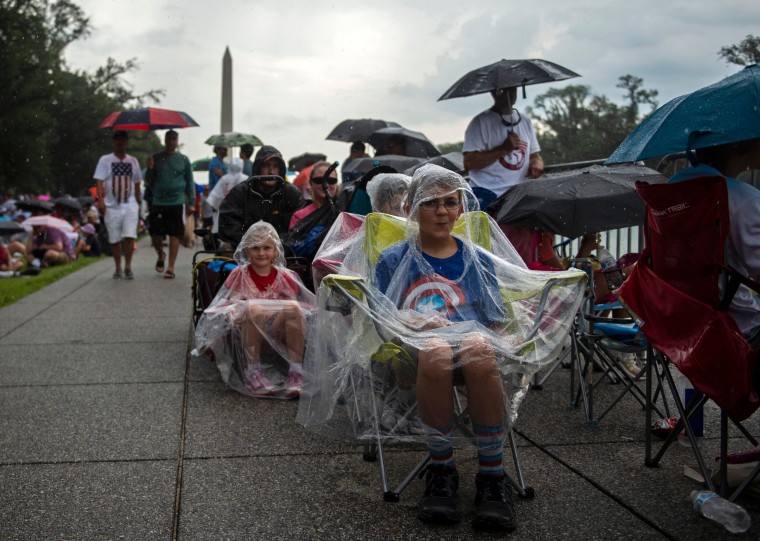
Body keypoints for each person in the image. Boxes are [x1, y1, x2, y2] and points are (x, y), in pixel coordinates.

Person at [373, 165, 517, 531]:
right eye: (430, 202)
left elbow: (494, 320)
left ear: (460, 208)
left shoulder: (477, 259)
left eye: (450, 202)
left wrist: (504, 342)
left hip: (474, 347)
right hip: (418, 350)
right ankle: (442, 469)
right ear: (412, 209)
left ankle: (492, 475)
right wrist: (414, 324)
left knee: (478, 345)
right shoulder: (392, 259)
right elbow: (383, 317)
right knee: (436, 348)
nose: (441, 211)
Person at [194, 221, 316, 398]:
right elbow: (234, 303)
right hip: (249, 328)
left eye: (267, 248)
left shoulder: (284, 276)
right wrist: (245, 308)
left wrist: (278, 311)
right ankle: (254, 372)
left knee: (293, 307)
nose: (261, 253)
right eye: (255, 248)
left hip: (277, 329)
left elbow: (293, 306)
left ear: (275, 251)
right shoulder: (240, 274)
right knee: (255, 308)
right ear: (247, 251)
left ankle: (296, 371)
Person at [668, 137, 760, 348]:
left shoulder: (670, 189)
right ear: (737, 140)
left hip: (680, 327)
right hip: (739, 331)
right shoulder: (743, 198)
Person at [218, 145, 304, 245]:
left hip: (283, 251)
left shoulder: (291, 193)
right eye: (266, 166)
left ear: (281, 170)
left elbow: (299, 228)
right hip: (246, 250)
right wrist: (255, 242)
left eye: (275, 166)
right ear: (258, 168)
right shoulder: (240, 192)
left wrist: (272, 243)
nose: (271, 171)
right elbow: (228, 226)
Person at [144, 130, 195, 279]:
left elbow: (189, 182)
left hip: (176, 201)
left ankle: (171, 267)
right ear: (165, 140)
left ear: (177, 141)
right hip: (158, 200)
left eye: (174, 139)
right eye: (169, 139)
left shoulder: (183, 159)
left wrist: (191, 202)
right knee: (155, 232)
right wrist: (150, 168)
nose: (171, 141)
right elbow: (149, 181)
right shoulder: (156, 158)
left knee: (175, 233)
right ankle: (161, 254)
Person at [93, 130, 143, 279]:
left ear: (127, 142)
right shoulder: (105, 160)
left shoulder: (133, 161)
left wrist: (139, 202)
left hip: (130, 204)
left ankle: (128, 266)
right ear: (114, 142)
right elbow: (99, 181)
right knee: (114, 238)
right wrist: (100, 201)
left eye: (124, 140)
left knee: (129, 236)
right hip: (112, 205)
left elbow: (137, 182)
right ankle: (118, 267)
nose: (121, 143)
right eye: (118, 140)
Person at [288, 161, 338, 231]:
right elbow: (293, 240)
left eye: (331, 180)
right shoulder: (299, 216)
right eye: (319, 180)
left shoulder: (344, 210)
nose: (325, 185)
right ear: (310, 183)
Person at [207, 157, 247, 234]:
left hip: (224, 212)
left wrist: (216, 209)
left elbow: (215, 198)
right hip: (242, 213)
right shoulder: (246, 179)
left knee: (224, 236)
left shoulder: (224, 179)